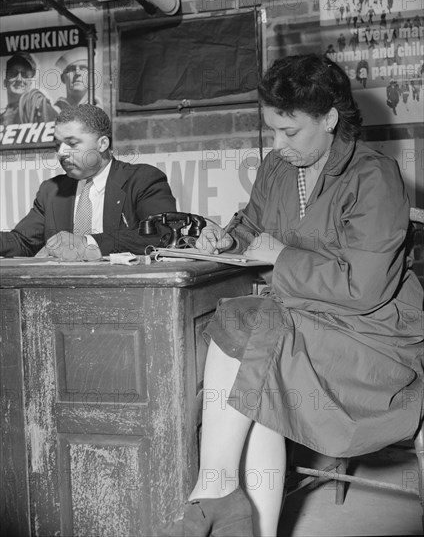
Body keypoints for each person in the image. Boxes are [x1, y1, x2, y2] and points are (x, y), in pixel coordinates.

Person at [159, 54, 424, 537]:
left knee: (247, 328)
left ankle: (213, 495)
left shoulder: (374, 176)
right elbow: (251, 226)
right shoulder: (278, 168)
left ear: (330, 119)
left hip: (372, 338)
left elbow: (366, 288)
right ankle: (233, 509)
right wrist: (227, 239)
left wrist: (281, 256)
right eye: (272, 130)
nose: (278, 145)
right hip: (300, 325)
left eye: (290, 131)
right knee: (254, 376)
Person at [0, 104, 176, 260]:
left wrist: (88, 243)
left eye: (72, 143)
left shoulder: (143, 180)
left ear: (102, 144)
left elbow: (161, 234)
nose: (61, 152)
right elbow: (21, 241)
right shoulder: (51, 190)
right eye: (57, 145)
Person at [0, 51, 57, 126]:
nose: (19, 79)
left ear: (30, 84)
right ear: (5, 82)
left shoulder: (41, 107)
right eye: (13, 73)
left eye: (25, 75)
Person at [54, 47, 101, 111]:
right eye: (72, 69)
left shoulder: (99, 109)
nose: (77, 73)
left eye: (83, 68)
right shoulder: (53, 111)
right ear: (62, 78)